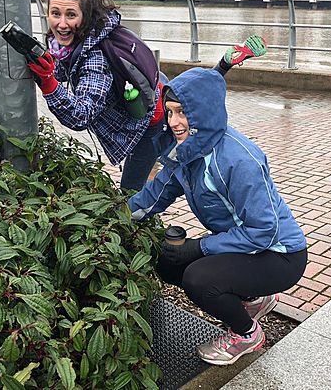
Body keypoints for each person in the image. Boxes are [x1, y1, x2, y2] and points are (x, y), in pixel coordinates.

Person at [128, 67, 307, 366]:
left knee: (199, 279)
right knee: (168, 262)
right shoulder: (186, 151)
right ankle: (253, 299)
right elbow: (155, 195)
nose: (174, 122)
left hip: (280, 255)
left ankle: (247, 334)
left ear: (203, 113)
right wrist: (117, 217)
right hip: (247, 247)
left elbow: (264, 230)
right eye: (169, 113)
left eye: (182, 112)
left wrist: (200, 247)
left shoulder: (239, 160)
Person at [27, 0, 266, 191]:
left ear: (85, 16)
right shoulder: (79, 41)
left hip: (150, 122)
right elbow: (63, 68)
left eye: (71, 15)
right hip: (155, 93)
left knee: (133, 193)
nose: (62, 23)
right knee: (187, 133)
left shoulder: (95, 58)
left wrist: (47, 81)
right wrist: (42, 68)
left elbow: (80, 115)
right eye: (55, 13)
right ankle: (223, 65)